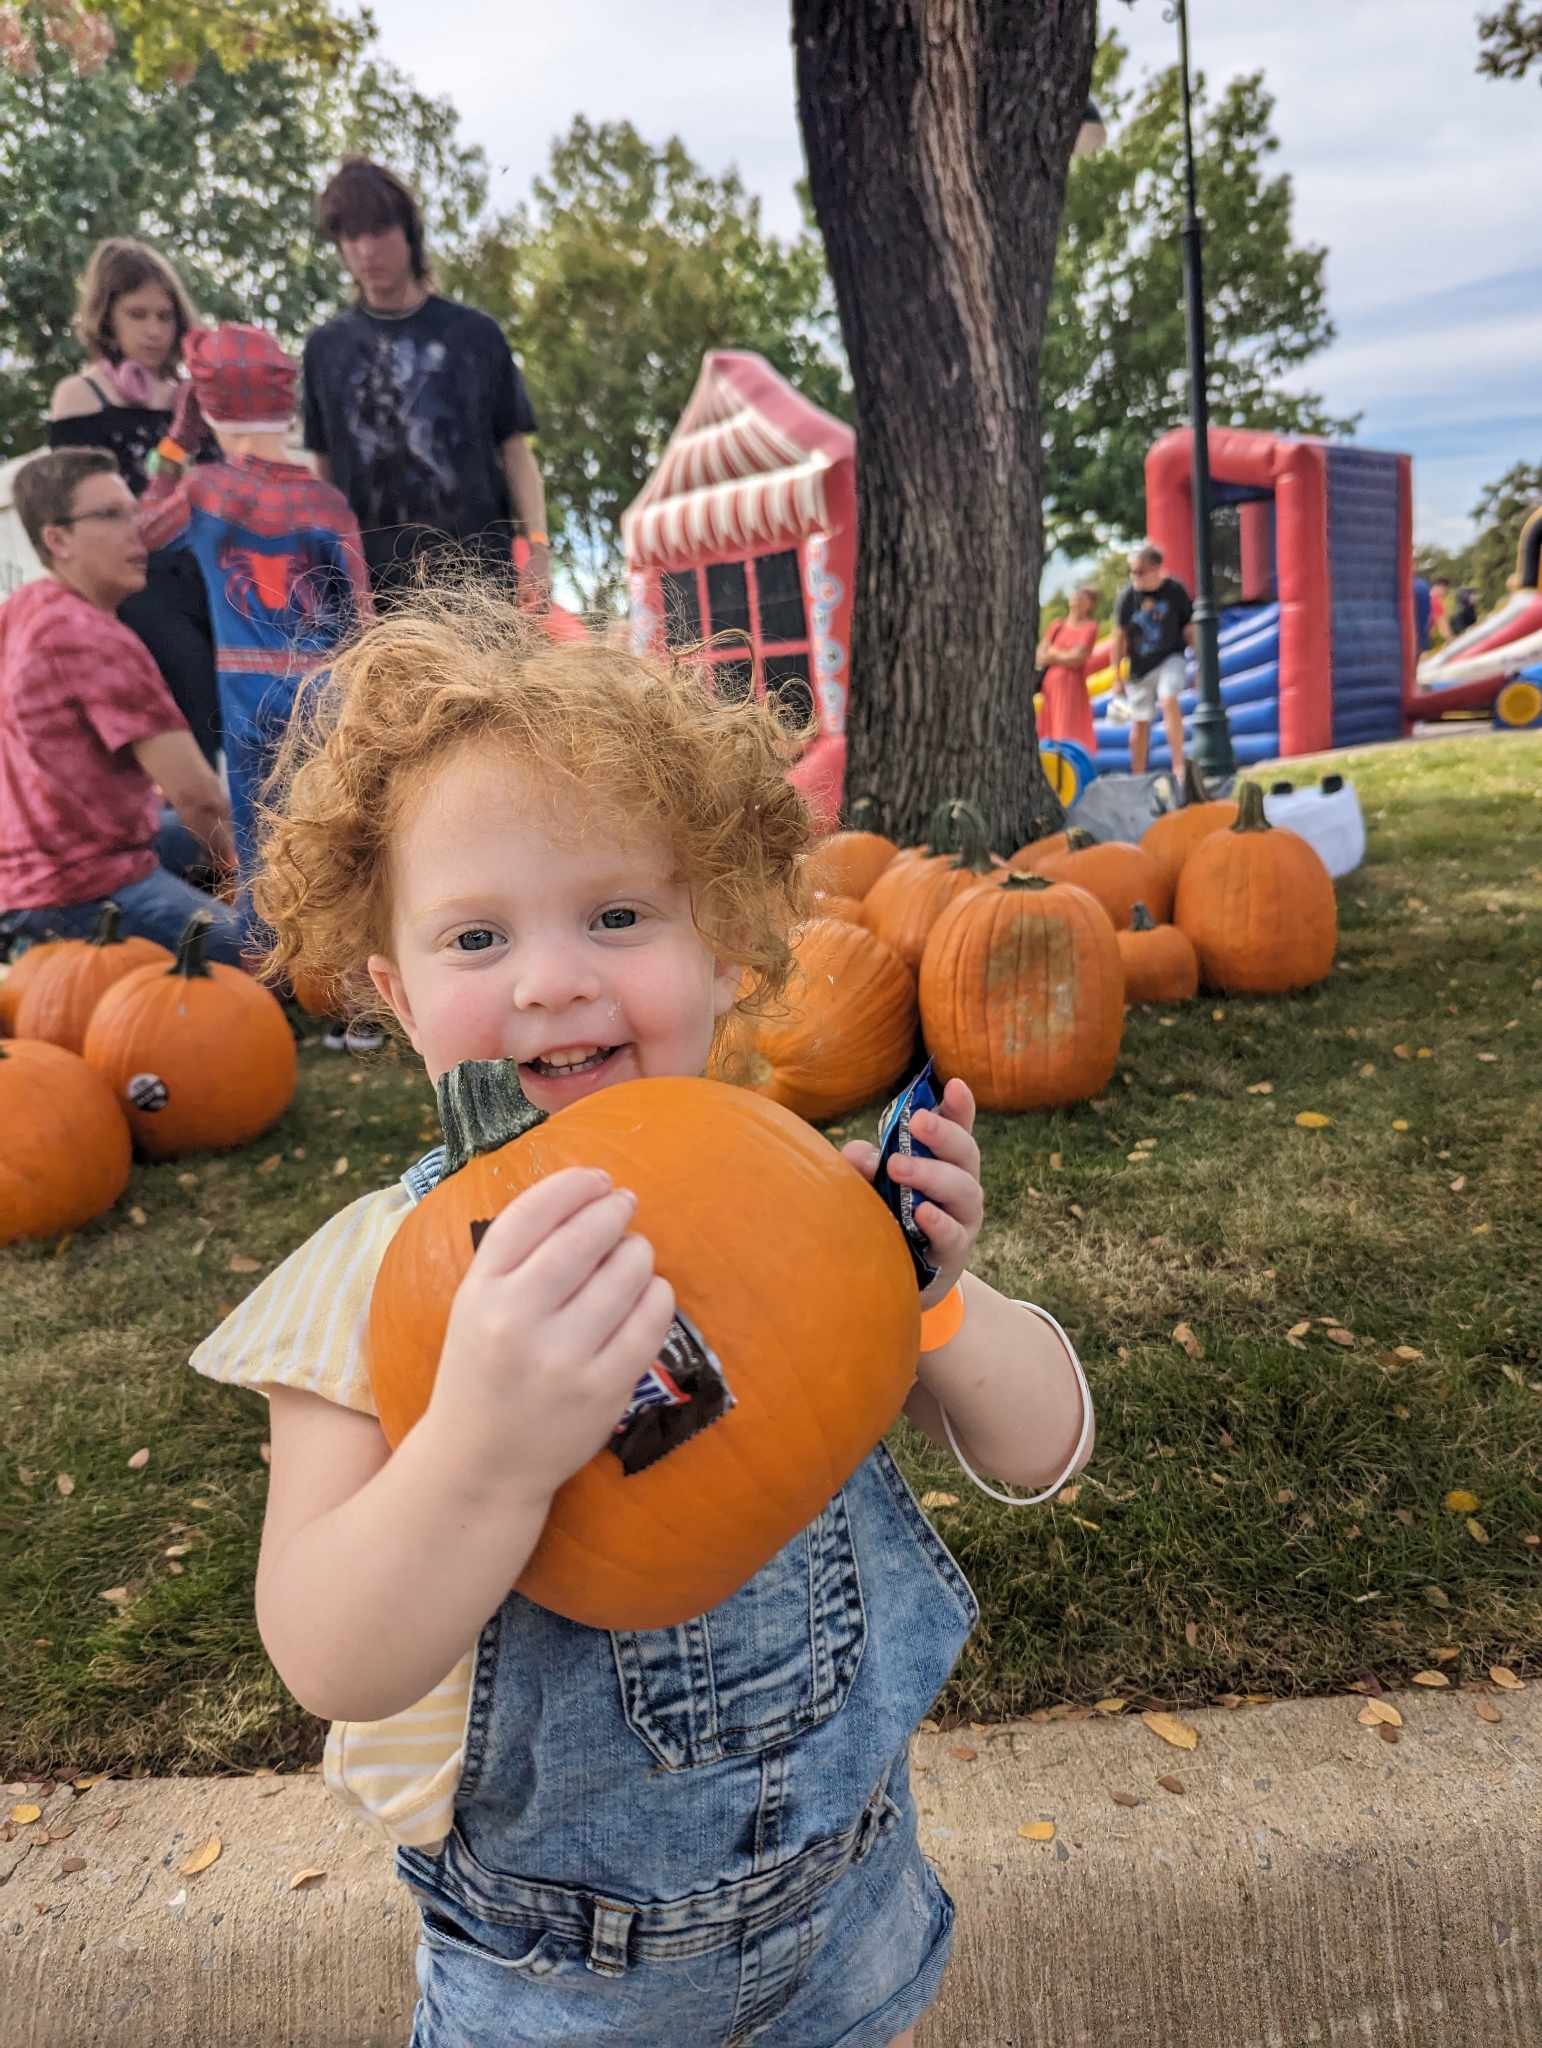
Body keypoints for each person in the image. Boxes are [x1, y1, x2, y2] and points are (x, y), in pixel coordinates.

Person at [189, 589, 1094, 2048]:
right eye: (475, 938)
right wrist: (480, 1455)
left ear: (726, 946)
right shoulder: (369, 1281)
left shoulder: (798, 1202)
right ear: (397, 994)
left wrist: (931, 1299)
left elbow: (1046, 1448)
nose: (551, 979)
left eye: (616, 915)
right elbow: (328, 1651)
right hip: (559, 1982)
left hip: (850, 1915)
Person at [140, 322, 379, 1051]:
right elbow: (361, 612)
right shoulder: (325, 501)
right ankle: (355, 995)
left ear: (208, 403)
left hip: (247, 693)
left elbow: (142, 526)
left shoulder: (206, 491)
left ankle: (276, 994)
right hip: (324, 687)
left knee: (261, 844)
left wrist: (177, 444)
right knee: (338, 836)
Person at [0, 449, 240, 960]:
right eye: (110, 516)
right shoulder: (95, 638)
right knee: (276, 953)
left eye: (134, 512)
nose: (138, 530)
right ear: (56, 539)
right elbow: (198, 795)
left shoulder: (21, 609)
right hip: (82, 894)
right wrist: (235, 875)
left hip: (21, 875)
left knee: (189, 830)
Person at [303, 157, 550, 606]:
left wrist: (538, 544)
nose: (366, 250)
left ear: (410, 233)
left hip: (480, 582)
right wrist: (332, 571)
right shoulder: (325, 349)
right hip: (375, 595)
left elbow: (515, 450)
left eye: (378, 231)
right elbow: (324, 475)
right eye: (351, 236)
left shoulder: (475, 335)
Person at [48, 238, 220, 766]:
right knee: (188, 695)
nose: (153, 330)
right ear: (107, 318)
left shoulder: (191, 397)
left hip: (201, 572)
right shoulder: (80, 396)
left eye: (164, 316)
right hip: (133, 583)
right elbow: (75, 510)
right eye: (137, 314)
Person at [1109, 542, 1194, 778]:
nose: (1135, 576)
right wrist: (1117, 676)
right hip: (1140, 666)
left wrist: (1199, 664)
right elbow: (1119, 638)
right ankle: (1138, 775)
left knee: (1168, 700)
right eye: (1132, 571)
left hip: (1170, 656)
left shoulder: (1174, 590)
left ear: (1156, 568)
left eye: (1140, 571)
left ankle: (1179, 766)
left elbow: (1189, 628)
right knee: (1140, 722)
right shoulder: (1127, 597)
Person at [1035, 584, 1100, 752]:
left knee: (1067, 730)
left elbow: (1076, 659)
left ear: (1090, 604)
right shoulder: (1057, 626)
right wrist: (1062, 655)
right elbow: (1041, 654)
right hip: (1050, 688)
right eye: (1076, 593)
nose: (1077, 598)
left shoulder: (1089, 627)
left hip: (1071, 688)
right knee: (1049, 730)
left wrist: (1053, 653)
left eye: (1083, 596)